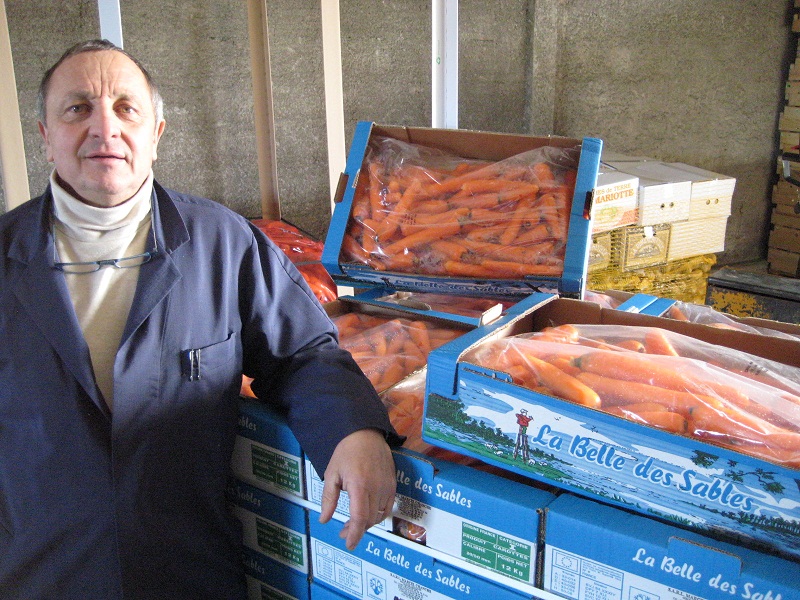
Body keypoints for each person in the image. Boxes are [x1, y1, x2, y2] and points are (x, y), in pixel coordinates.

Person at [0, 39, 401, 599]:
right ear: (45, 136)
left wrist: (353, 431)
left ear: (156, 134)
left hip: (190, 572)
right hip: (41, 576)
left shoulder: (221, 243)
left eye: (125, 108)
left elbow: (303, 353)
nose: (104, 128)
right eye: (77, 109)